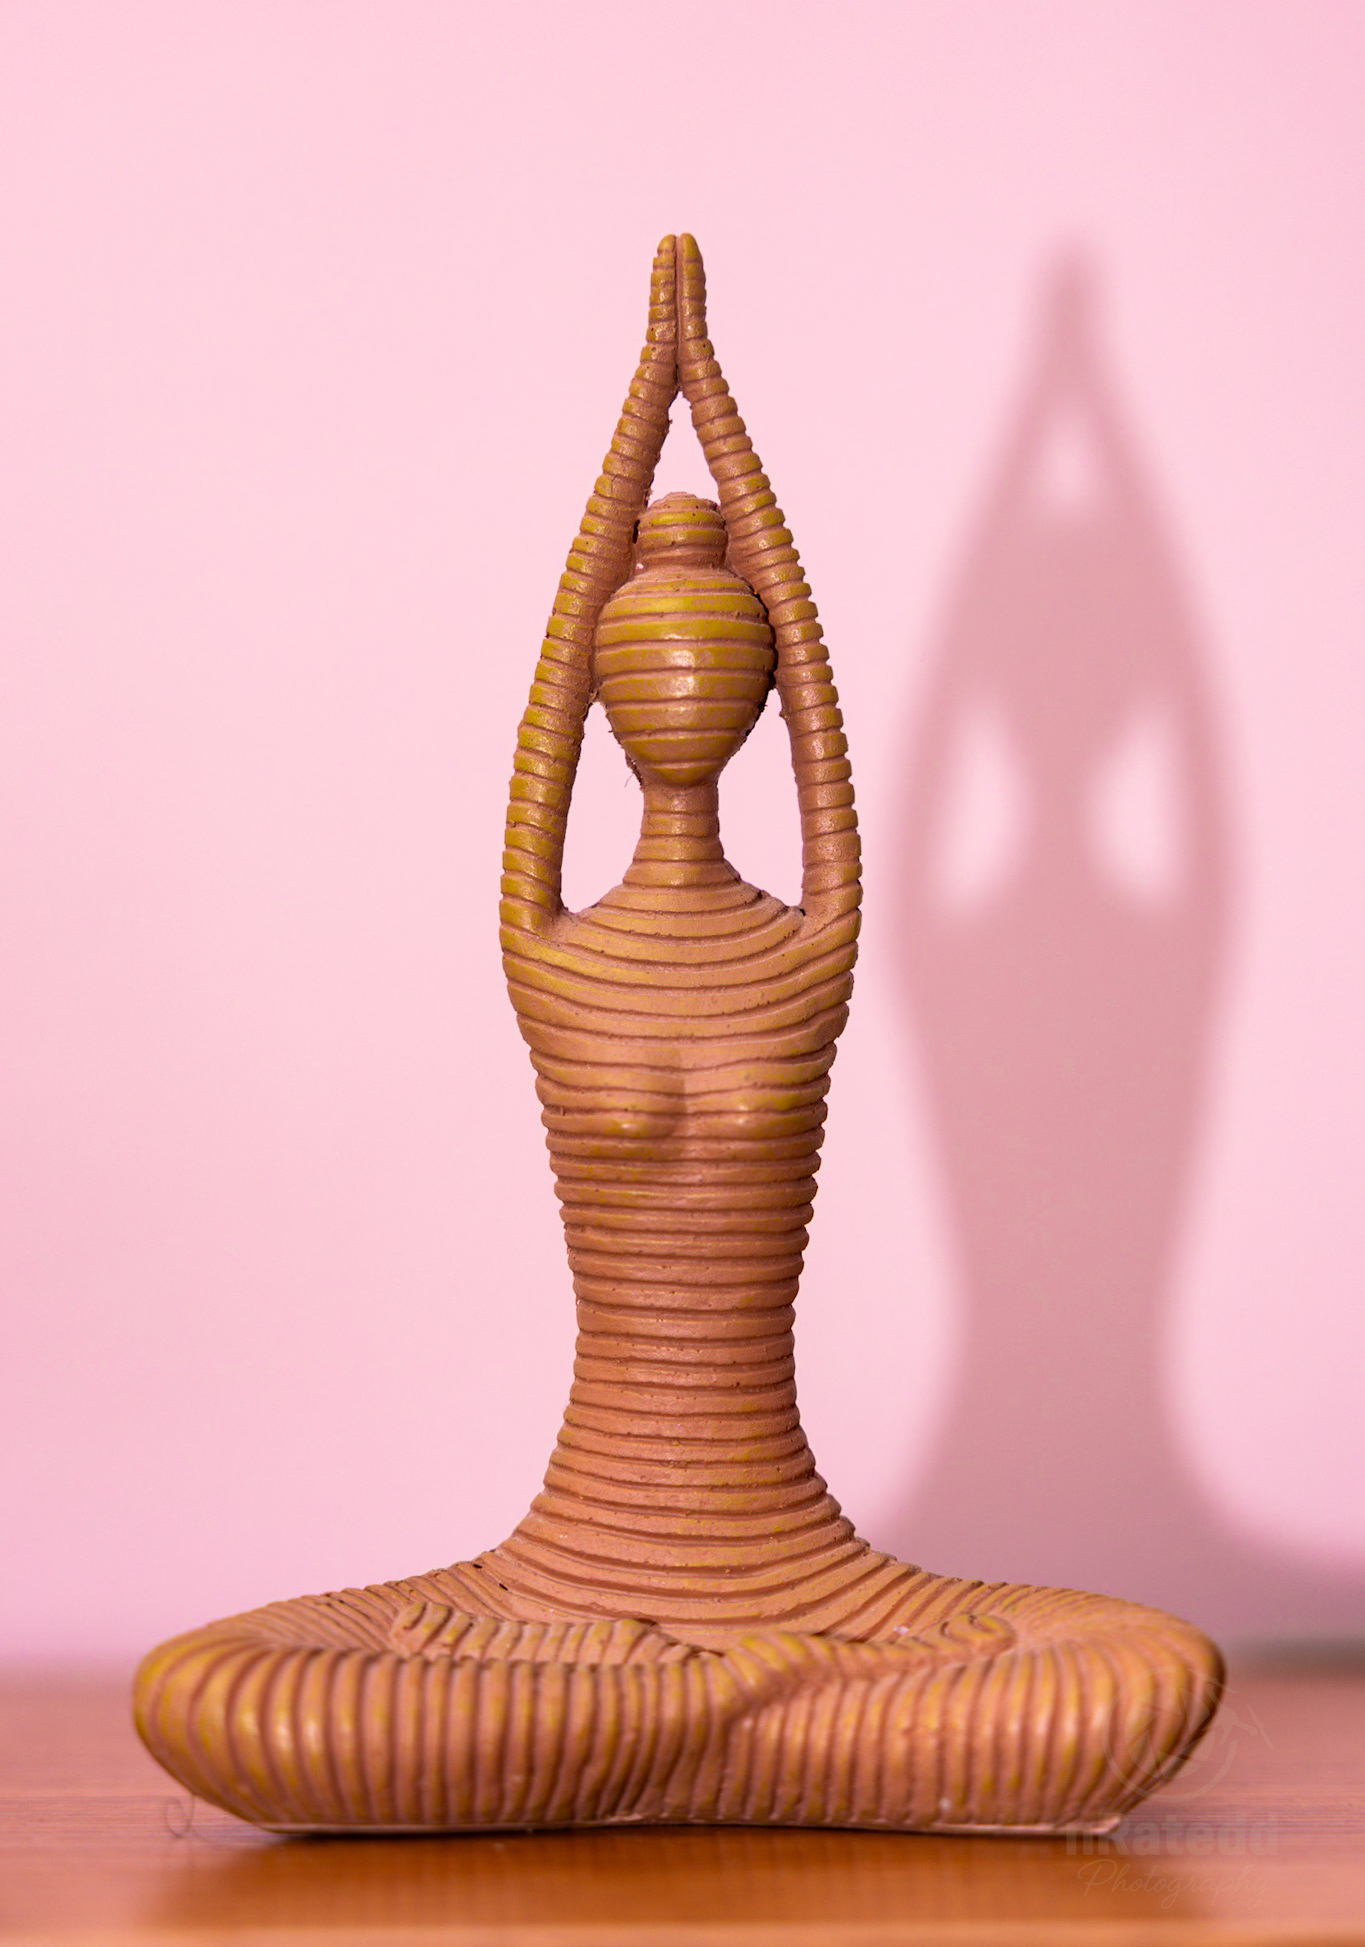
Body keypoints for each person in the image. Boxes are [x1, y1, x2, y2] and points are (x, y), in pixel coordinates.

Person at [133, 236, 1221, 1832]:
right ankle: (765, 1720)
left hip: (814, 1583)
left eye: (726, 659)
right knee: (219, 1695)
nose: (685, 687)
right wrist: (656, 395)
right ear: (601, 694)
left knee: (1142, 1677)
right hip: (561, 1579)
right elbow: (547, 711)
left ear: (766, 695)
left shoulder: (808, 943)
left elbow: (852, 745)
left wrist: (718, 409)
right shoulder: (552, 948)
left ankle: (656, 1721)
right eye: (645, 662)